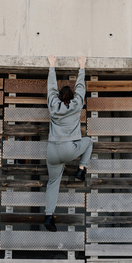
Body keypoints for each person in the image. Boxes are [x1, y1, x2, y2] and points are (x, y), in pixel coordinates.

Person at [44, 55, 93, 232]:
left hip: (52, 150)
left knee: (53, 183)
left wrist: (52, 65)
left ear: (59, 96)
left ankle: (49, 215)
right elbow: (81, 88)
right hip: (69, 148)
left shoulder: (53, 105)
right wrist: (81, 66)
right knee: (88, 141)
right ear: (71, 97)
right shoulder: (76, 105)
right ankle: (81, 170)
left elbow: (50, 88)